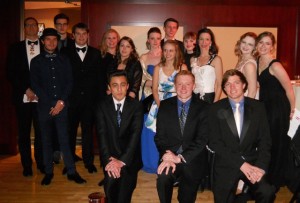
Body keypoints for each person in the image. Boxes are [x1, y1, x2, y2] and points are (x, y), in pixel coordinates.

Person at [208, 69, 275, 203]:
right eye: (228, 84)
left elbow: (265, 141)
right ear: (224, 89)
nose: (232, 87)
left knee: (267, 191)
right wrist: (241, 164)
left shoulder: (258, 108)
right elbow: (215, 143)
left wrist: (261, 168)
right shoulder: (214, 109)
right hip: (226, 163)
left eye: (236, 83)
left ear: (244, 85)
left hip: (252, 161)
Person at [30, 28, 86, 185]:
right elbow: (35, 85)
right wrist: (51, 103)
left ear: (58, 41)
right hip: (44, 108)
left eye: (54, 40)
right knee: (46, 140)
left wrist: (61, 102)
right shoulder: (36, 61)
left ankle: (71, 171)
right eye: (48, 40)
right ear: (43, 41)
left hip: (62, 107)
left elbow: (70, 82)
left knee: (64, 140)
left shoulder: (64, 59)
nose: (51, 42)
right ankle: (48, 172)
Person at [155, 70, 208, 203]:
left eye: (188, 84)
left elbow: (202, 139)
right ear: (174, 85)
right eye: (180, 84)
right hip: (169, 156)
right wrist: (166, 156)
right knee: (163, 177)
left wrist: (180, 158)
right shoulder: (165, 105)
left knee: (186, 199)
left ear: (193, 86)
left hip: (192, 159)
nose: (183, 88)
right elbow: (159, 136)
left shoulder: (204, 107)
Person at [62, 23, 104, 174]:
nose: (81, 37)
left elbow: (100, 79)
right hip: (71, 101)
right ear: (73, 35)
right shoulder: (65, 52)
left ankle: (88, 162)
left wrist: (99, 103)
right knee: (70, 133)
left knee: (87, 133)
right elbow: (62, 79)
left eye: (83, 34)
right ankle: (69, 163)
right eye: (78, 34)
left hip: (90, 102)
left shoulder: (95, 53)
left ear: (88, 35)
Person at [96, 70, 143, 203]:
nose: (119, 89)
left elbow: (135, 135)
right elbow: (102, 135)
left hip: (129, 159)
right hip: (110, 158)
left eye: (123, 85)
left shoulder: (136, 106)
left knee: (124, 197)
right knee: (110, 191)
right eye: (115, 85)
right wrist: (109, 161)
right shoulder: (102, 106)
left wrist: (121, 161)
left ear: (128, 86)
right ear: (109, 87)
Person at [256, 31, 295, 190]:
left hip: (278, 108)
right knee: (267, 141)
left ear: (273, 46)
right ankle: (267, 175)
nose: (263, 46)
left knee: (276, 142)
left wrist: (291, 110)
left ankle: (275, 179)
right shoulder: (258, 60)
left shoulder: (275, 65)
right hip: (265, 106)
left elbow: (289, 90)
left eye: (267, 43)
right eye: (261, 42)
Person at [6, 17, 44, 176]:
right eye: (27, 25)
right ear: (24, 28)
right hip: (23, 98)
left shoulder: (47, 46)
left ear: (38, 28)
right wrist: (26, 90)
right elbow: (11, 73)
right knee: (24, 134)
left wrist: (39, 91)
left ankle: (41, 163)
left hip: (42, 98)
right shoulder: (15, 48)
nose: (30, 27)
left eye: (33, 25)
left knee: (41, 133)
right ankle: (26, 165)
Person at [145, 40, 187, 132]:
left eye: (171, 50)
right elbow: (155, 89)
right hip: (160, 102)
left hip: (178, 103)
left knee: (175, 133)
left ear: (176, 52)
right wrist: (160, 106)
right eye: (165, 50)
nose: (167, 53)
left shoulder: (182, 67)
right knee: (159, 133)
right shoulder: (158, 67)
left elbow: (186, 88)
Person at [140, 27, 162, 173]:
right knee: (148, 130)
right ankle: (149, 162)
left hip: (163, 97)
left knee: (161, 130)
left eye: (157, 38)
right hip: (148, 98)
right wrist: (152, 83)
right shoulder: (143, 57)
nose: (155, 41)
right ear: (148, 40)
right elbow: (140, 80)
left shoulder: (166, 55)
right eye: (152, 38)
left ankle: (162, 161)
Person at [191, 27, 223, 103]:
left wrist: (215, 103)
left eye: (207, 39)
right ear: (198, 41)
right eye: (201, 39)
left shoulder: (216, 59)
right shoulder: (193, 59)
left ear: (211, 42)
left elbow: (219, 84)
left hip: (209, 98)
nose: (204, 42)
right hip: (194, 97)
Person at [234, 32, 258, 98]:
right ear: (240, 43)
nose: (245, 46)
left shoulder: (249, 65)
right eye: (244, 42)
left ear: (254, 48)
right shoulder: (242, 60)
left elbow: (252, 92)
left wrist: (246, 108)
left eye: (250, 44)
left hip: (247, 101)